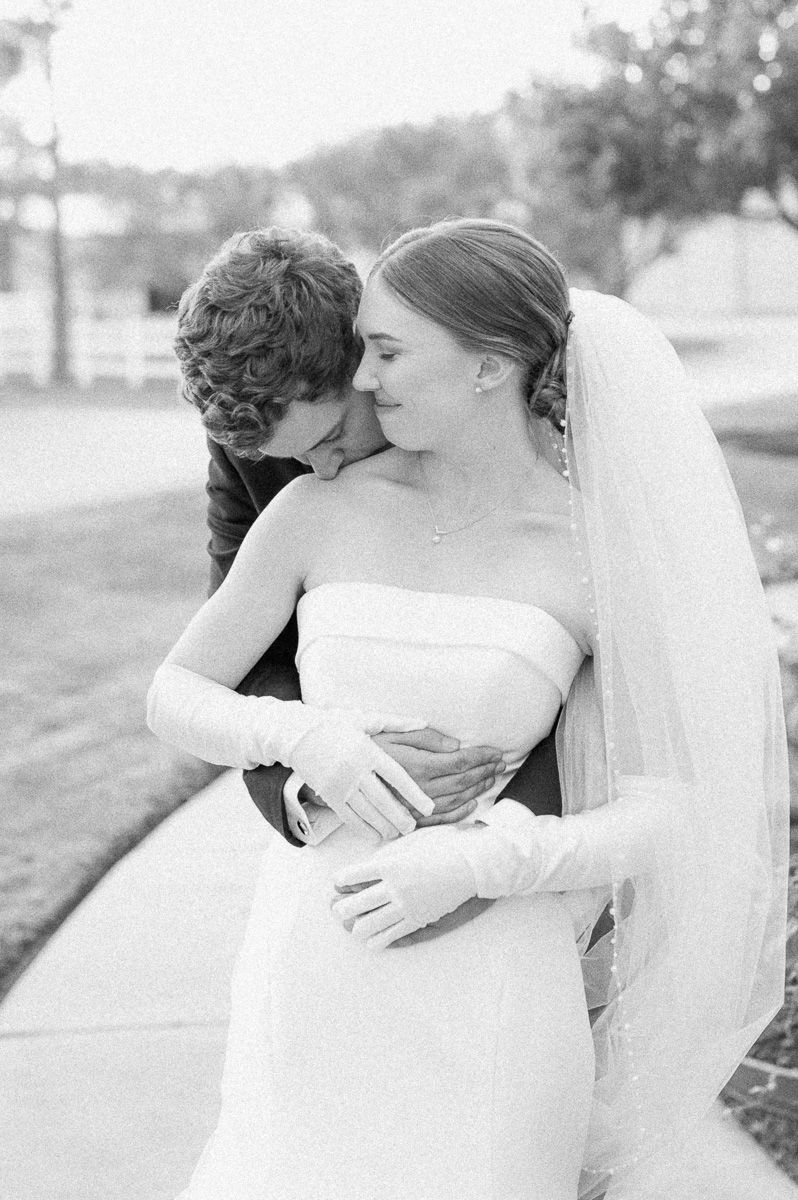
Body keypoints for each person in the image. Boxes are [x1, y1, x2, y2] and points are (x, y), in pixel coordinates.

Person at [149, 219, 788, 1200]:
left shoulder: (594, 549)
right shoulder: (311, 507)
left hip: (499, 970)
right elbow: (185, 688)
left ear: (488, 367)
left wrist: (484, 856)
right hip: (313, 963)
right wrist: (309, 742)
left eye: (387, 351)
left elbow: (671, 802)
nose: (367, 378)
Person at [175, 226, 565, 868]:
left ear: (369, 354)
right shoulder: (263, 461)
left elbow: (589, 668)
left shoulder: (497, 397)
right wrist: (327, 767)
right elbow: (250, 657)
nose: (319, 471)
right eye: (294, 458)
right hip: (344, 849)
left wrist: (503, 842)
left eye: (329, 436)